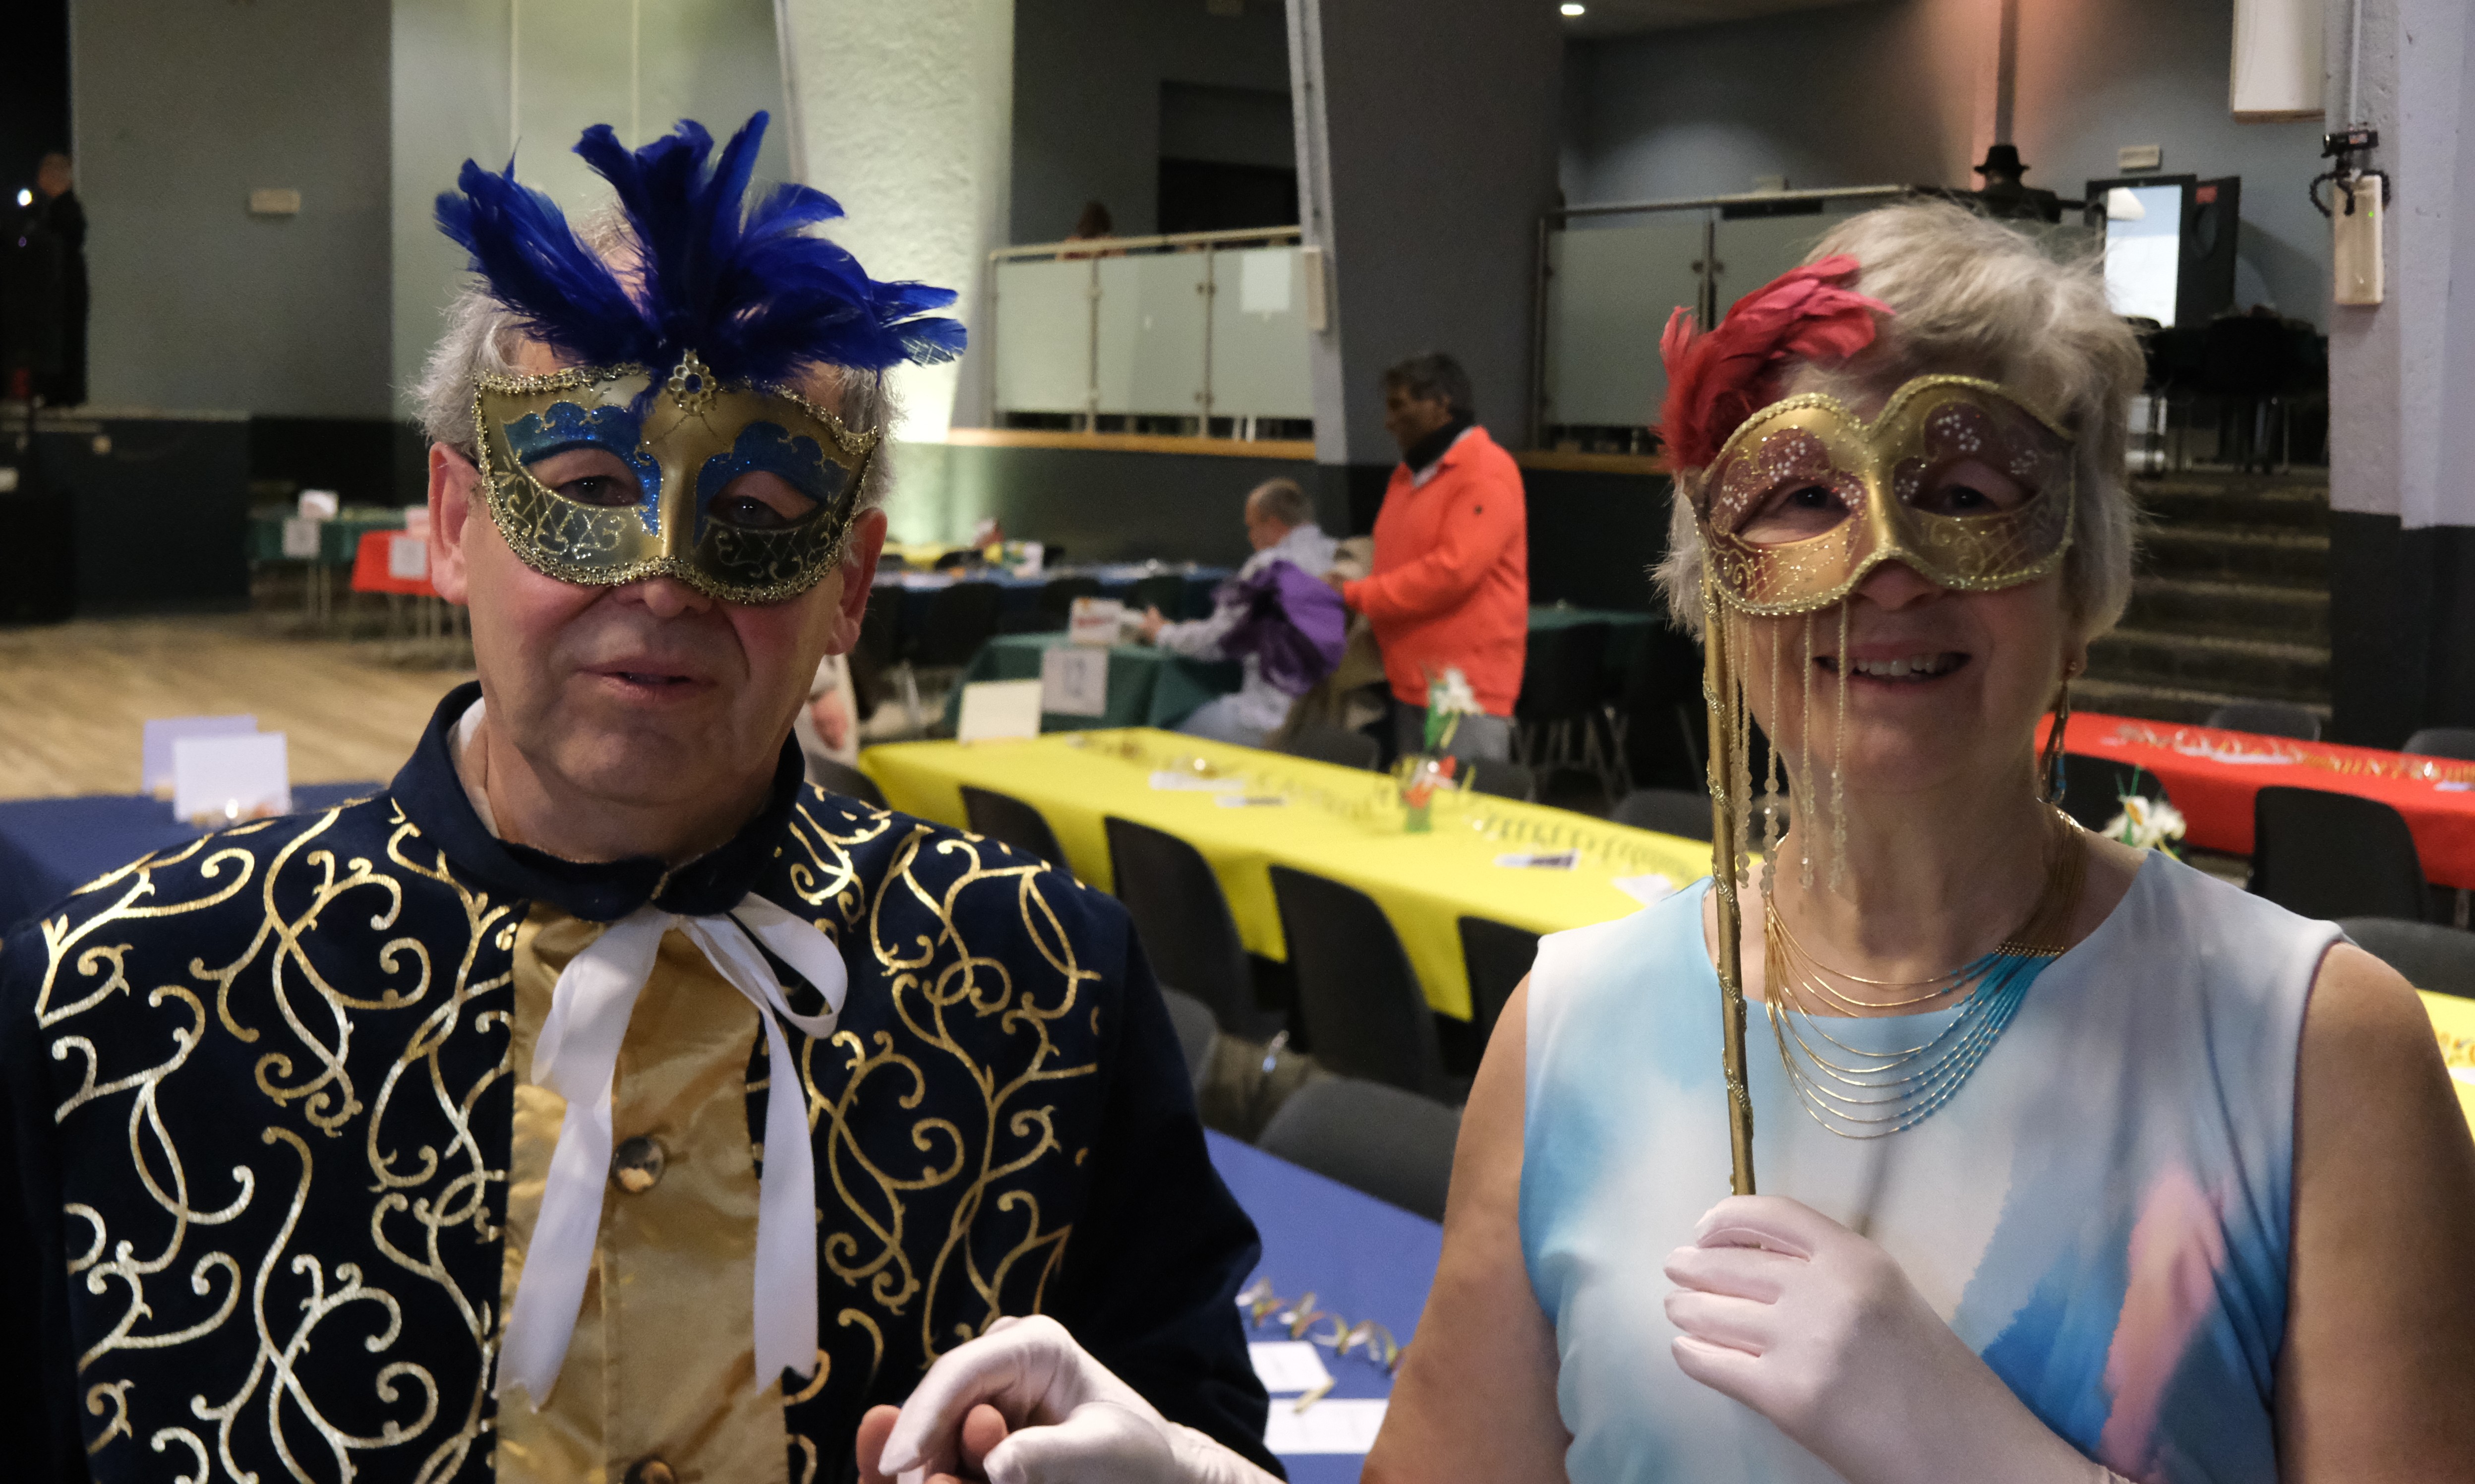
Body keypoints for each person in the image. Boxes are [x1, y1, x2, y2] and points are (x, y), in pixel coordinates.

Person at [0, 114, 1279, 1484]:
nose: (666, 579)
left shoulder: (1042, 987)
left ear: (850, 583)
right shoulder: (114, 1007)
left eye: (757, 511)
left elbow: (1204, 1431)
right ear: (454, 523)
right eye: (589, 484)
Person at [1364, 203, 2475, 1482]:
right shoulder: (1569, 1031)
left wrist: (1987, 1454)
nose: (1886, 566)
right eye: (1803, 494)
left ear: (2080, 583)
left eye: (1964, 492)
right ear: (1717, 583)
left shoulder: (2316, 1052)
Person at [1335, 352, 1528, 763]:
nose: (1388, 422)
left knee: (1462, 801)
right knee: (1418, 800)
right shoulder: (1409, 476)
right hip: (1411, 678)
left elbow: (1454, 572)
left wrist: (1358, 594)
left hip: (1463, 688)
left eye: (1399, 406)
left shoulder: (1485, 471)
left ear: (1441, 404)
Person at [1139, 476, 1339, 747]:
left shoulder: (1269, 566)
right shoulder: (1339, 556)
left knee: (1161, 735)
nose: (1250, 537)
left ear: (1273, 524)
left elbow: (1216, 642)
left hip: (1269, 720)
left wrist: (1163, 633)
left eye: (1252, 527)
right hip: (1330, 723)